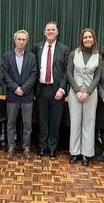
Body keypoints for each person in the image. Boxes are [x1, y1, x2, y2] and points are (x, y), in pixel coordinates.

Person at [32, 21, 69, 160]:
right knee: (42, 121)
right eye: (48, 29)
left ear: (57, 32)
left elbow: (67, 72)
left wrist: (62, 89)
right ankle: (42, 147)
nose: (51, 31)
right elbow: (33, 68)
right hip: (41, 90)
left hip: (57, 91)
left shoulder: (64, 49)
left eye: (53, 29)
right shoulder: (37, 47)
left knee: (55, 121)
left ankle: (52, 148)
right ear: (44, 32)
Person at [67, 28, 101, 166]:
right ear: (81, 39)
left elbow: (98, 76)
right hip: (75, 93)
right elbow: (69, 73)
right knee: (75, 123)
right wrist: (77, 91)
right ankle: (74, 152)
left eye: (90, 37)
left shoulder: (98, 56)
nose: (87, 39)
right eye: (85, 37)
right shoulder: (74, 54)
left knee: (89, 123)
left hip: (91, 94)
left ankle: (86, 154)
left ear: (93, 39)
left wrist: (88, 92)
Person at [2, 30, 37, 160]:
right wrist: (16, 88)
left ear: (26, 42)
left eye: (24, 40)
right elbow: (4, 74)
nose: (21, 42)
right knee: (10, 123)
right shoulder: (7, 56)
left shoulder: (32, 57)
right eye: (19, 39)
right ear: (15, 40)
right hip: (12, 95)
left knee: (27, 124)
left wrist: (24, 88)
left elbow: (34, 74)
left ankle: (26, 148)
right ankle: (11, 147)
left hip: (27, 96)